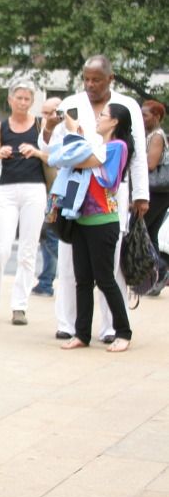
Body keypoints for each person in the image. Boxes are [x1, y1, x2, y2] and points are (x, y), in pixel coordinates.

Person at [40, 55, 148, 341]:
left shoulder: (127, 107)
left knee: (109, 268)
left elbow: (135, 155)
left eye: (96, 79)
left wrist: (141, 194)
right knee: (70, 264)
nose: (90, 84)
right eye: (86, 79)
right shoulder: (70, 104)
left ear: (110, 79)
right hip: (75, 196)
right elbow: (51, 150)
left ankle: (112, 327)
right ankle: (69, 324)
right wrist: (49, 128)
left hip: (109, 198)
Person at [48, 104, 134, 352]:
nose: (99, 118)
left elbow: (96, 169)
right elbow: (69, 157)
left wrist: (76, 138)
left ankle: (123, 332)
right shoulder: (95, 146)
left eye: (104, 115)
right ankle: (81, 333)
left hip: (103, 222)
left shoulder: (117, 147)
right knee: (82, 280)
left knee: (105, 279)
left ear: (115, 122)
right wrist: (74, 135)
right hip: (81, 221)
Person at [0, 79, 47, 326]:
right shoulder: (0, 128)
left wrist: (35, 152)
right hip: (7, 189)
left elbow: (53, 156)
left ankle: (19, 306)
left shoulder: (39, 126)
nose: (23, 103)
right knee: (0, 248)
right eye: (19, 98)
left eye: (27, 99)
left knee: (28, 249)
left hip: (34, 188)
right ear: (10, 100)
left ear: (32, 102)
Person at [31, 97, 62, 296]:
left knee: (51, 235)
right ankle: (45, 281)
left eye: (50, 112)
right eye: (44, 112)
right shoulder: (43, 131)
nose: (46, 117)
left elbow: (56, 158)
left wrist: (36, 152)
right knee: (47, 236)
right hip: (46, 191)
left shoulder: (63, 131)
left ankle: (72, 271)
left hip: (58, 192)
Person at [141, 100, 169, 294]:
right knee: (151, 235)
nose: (142, 118)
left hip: (156, 191)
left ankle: (161, 269)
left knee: (141, 232)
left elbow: (150, 164)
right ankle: (155, 279)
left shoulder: (156, 136)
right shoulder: (151, 135)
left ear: (157, 117)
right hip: (160, 193)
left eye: (146, 115)